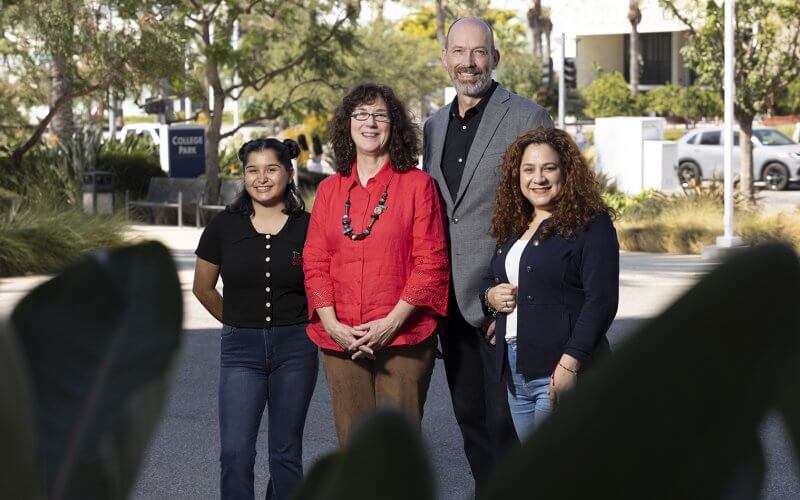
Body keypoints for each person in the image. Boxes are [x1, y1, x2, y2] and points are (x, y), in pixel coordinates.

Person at [421, 16, 553, 487]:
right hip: (450, 305)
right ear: (445, 59)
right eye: (458, 52)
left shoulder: (527, 117)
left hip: (504, 302)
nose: (468, 63)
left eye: (478, 52)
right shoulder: (433, 127)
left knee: (507, 427)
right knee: (470, 421)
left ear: (494, 58)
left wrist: (516, 297)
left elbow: (544, 215)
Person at [304, 83, 449, 445]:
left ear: (393, 125)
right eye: (361, 115)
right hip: (341, 339)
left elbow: (430, 263)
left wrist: (390, 324)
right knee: (355, 448)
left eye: (380, 115)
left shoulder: (419, 186)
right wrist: (332, 324)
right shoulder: (329, 191)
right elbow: (316, 261)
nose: (370, 123)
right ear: (348, 124)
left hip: (403, 336)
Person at [193, 138, 317, 500]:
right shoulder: (223, 226)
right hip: (240, 351)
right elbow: (203, 288)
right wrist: (237, 322)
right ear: (244, 175)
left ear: (289, 173)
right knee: (235, 453)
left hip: (296, 349)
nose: (261, 178)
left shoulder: (309, 226)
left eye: (271, 169)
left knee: (286, 454)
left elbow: (322, 286)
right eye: (253, 170)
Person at [481, 127, 619, 439]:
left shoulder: (592, 224)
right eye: (529, 169)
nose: (538, 178)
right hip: (516, 372)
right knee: (537, 476)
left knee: (560, 475)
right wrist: (490, 297)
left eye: (549, 168)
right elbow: (491, 279)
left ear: (566, 172)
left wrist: (570, 365)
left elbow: (602, 301)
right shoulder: (515, 225)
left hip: (561, 368)